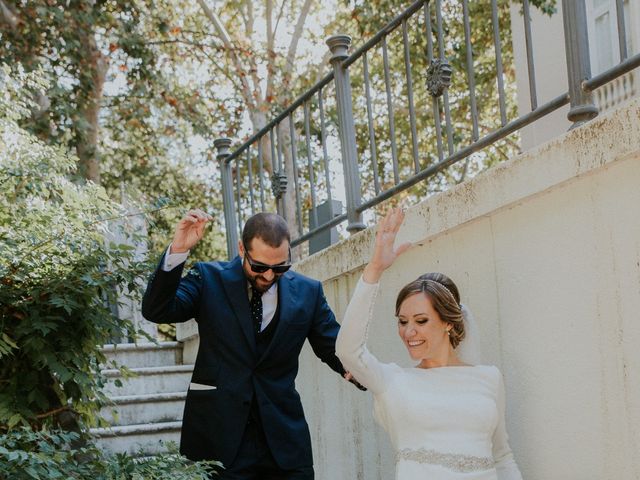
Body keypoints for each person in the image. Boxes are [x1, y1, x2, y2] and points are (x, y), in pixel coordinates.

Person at [142, 209, 360, 479]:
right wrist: (178, 250)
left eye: (279, 268)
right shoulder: (208, 278)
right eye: (259, 267)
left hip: (284, 444)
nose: (268, 276)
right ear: (242, 248)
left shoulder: (308, 292)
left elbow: (333, 346)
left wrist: (368, 374)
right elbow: (158, 311)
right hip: (219, 442)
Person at [335, 207, 523, 480]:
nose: (409, 331)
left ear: (448, 322)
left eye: (421, 321)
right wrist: (375, 268)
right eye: (402, 321)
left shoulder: (489, 378)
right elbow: (347, 350)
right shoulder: (391, 380)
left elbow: (502, 457)